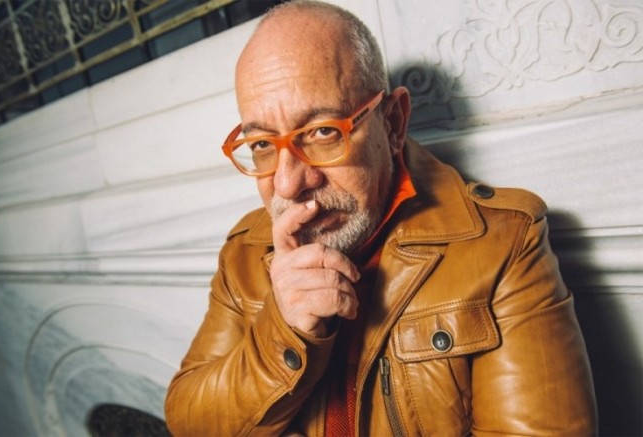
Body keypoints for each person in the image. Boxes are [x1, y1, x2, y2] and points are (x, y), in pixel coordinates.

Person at [165, 1, 598, 435]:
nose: (288, 184)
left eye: (322, 132)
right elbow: (189, 421)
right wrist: (284, 329)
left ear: (392, 123)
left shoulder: (503, 241)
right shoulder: (244, 249)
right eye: (261, 144)